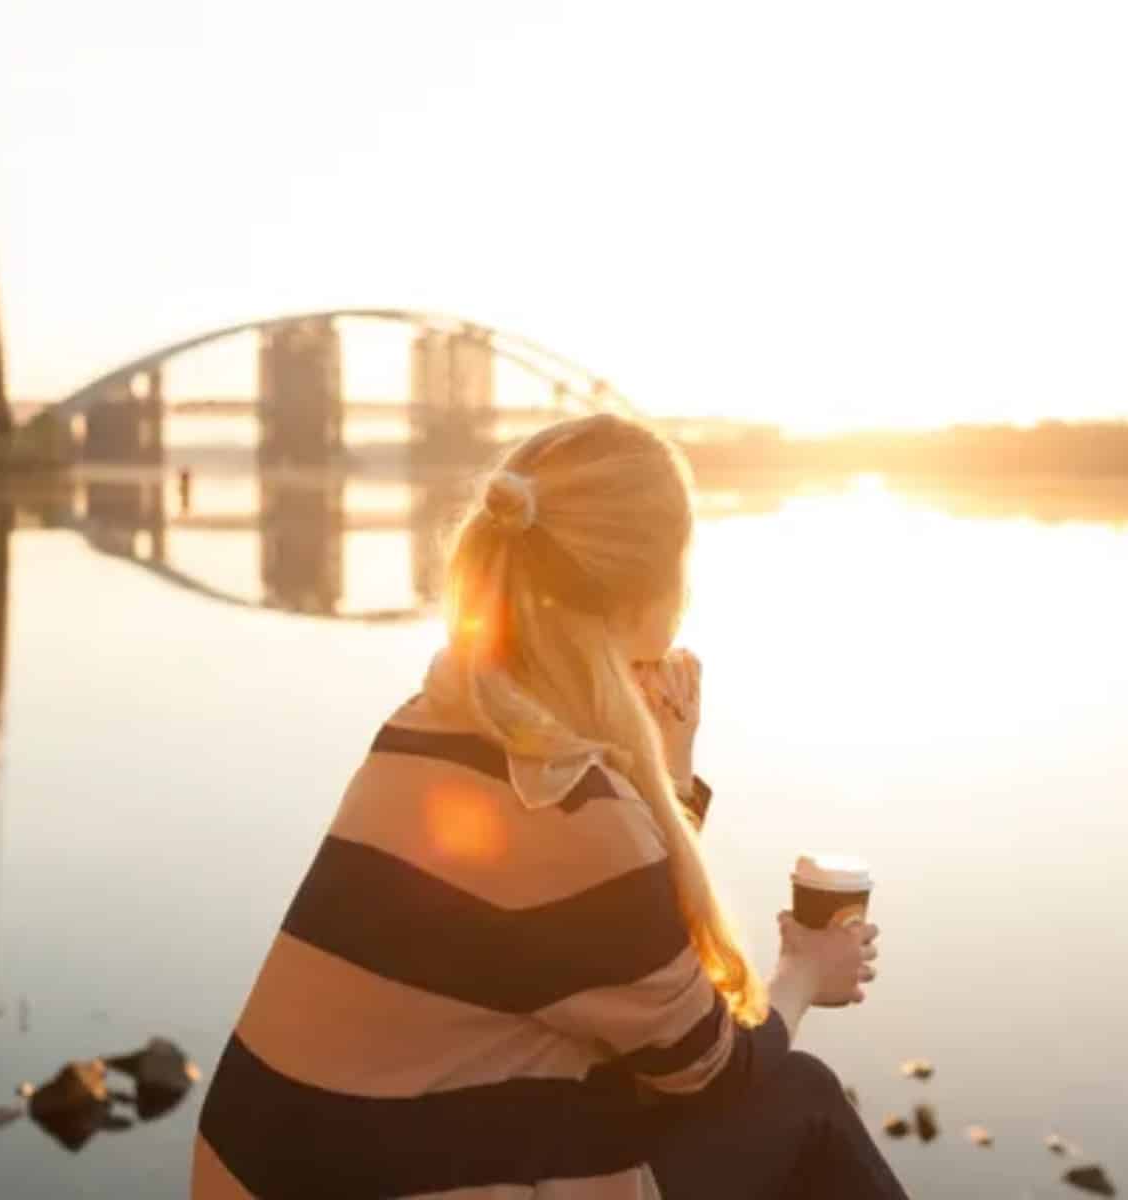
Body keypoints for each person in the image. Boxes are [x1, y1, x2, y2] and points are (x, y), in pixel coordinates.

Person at [193, 414, 906, 1199]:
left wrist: (664, 775)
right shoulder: (575, 808)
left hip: (259, 1177)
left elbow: (611, 959)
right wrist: (805, 972)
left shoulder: (432, 719)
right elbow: (707, 1068)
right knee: (800, 1098)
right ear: (649, 585)